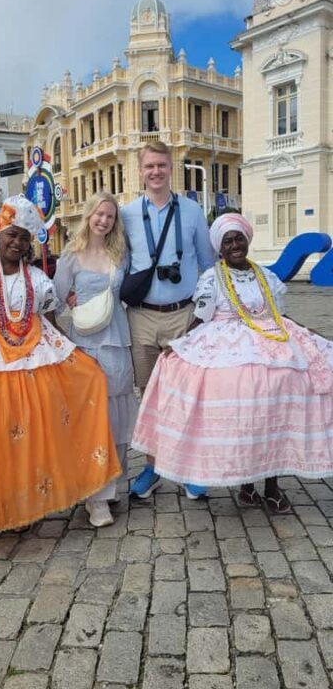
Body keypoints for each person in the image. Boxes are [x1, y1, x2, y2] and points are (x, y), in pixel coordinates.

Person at [131, 213, 333, 513]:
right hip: (228, 344)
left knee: (274, 407)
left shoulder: (266, 277)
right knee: (244, 413)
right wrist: (178, 346)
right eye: (228, 241)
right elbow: (200, 318)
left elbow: (278, 316)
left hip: (270, 341)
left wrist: (305, 330)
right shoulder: (212, 278)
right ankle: (247, 486)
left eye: (239, 238)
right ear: (220, 248)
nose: (235, 244)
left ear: (247, 241)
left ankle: (272, 486)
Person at [0, 195, 120, 532]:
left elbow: (51, 323)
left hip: (26, 368)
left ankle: (35, 503)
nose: (17, 242)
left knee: (18, 437)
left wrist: (78, 358)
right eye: (12, 233)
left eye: (25, 237)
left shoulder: (38, 280)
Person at [121, 141, 214, 499]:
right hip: (142, 317)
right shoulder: (128, 214)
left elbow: (208, 265)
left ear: (170, 167)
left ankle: (189, 469)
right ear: (140, 171)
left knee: (187, 396)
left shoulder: (191, 211)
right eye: (149, 167)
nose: (155, 172)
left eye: (161, 165)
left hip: (183, 317)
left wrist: (209, 313)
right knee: (149, 397)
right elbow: (118, 264)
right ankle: (153, 467)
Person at [54, 191, 138, 527]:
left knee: (117, 419)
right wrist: (72, 310)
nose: (104, 220)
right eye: (99, 214)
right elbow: (56, 301)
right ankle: (95, 496)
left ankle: (113, 483)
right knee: (93, 420)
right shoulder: (71, 257)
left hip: (117, 342)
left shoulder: (121, 254)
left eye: (110, 216)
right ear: (88, 215)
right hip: (87, 345)